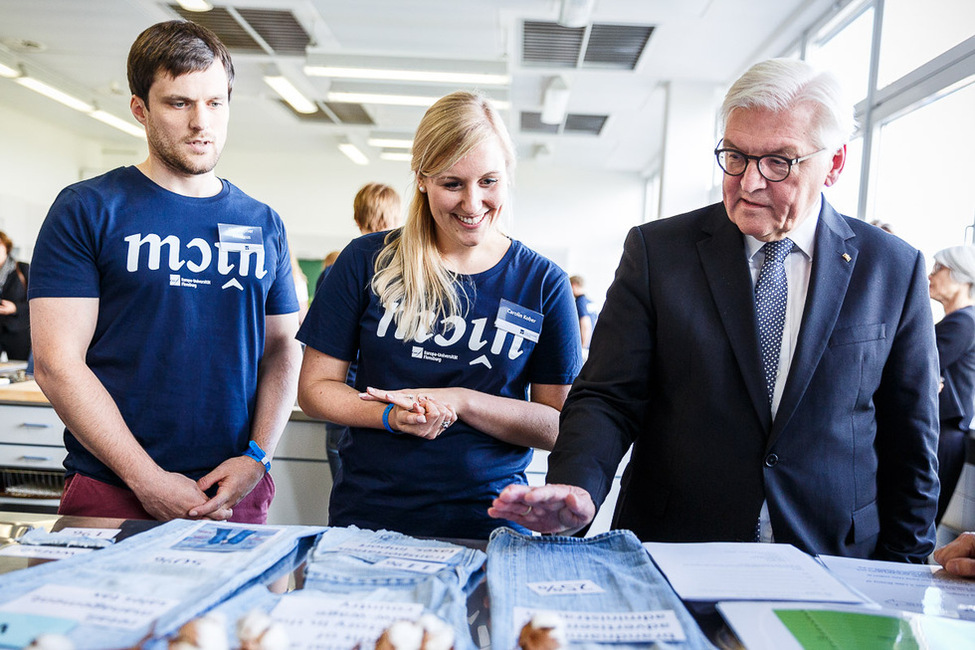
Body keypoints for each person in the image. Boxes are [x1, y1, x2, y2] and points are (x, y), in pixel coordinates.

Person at [491, 58, 940, 563]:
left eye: (778, 162)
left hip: (833, 556)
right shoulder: (659, 252)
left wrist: (906, 568)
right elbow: (608, 398)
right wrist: (577, 488)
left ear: (833, 164)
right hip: (674, 547)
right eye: (735, 156)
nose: (748, 182)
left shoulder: (892, 269)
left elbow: (911, 440)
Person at [28, 20, 302, 524]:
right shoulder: (88, 209)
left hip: (231, 489)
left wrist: (257, 459)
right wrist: (145, 478)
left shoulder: (263, 223)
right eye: (179, 103)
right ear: (140, 108)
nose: (202, 122)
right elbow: (55, 362)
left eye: (215, 103)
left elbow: (284, 348)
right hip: (112, 486)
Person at [297, 91, 583, 539]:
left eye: (489, 181)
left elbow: (559, 424)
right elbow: (316, 390)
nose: (472, 204)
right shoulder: (365, 261)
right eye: (453, 184)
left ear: (507, 176)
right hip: (372, 516)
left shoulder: (543, 282)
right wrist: (392, 417)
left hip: (493, 522)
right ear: (423, 179)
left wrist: (463, 401)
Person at [319, 183, 403, 483]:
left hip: (346, 406)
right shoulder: (355, 269)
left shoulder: (337, 271)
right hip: (376, 407)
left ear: (357, 217)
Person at [928, 245, 975, 524]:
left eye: (938, 269)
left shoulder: (963, 323)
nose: (930, 276)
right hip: (942, 436)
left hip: (943, 437)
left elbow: (916, 370)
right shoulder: (958, 321)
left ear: (961, 275)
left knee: (918, 525)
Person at [0, 231, 31, 361]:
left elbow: (37, 302)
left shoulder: (23, 269)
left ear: (6, 248)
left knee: (22, 372)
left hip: (19, 332)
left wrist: (15, 308)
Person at [569, 275, 596, 349]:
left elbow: (585, 325)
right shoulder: (589, 302)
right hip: (592, 344)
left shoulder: (580, 302)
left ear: (573, 285)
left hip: (584, 345)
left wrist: (582, 346)